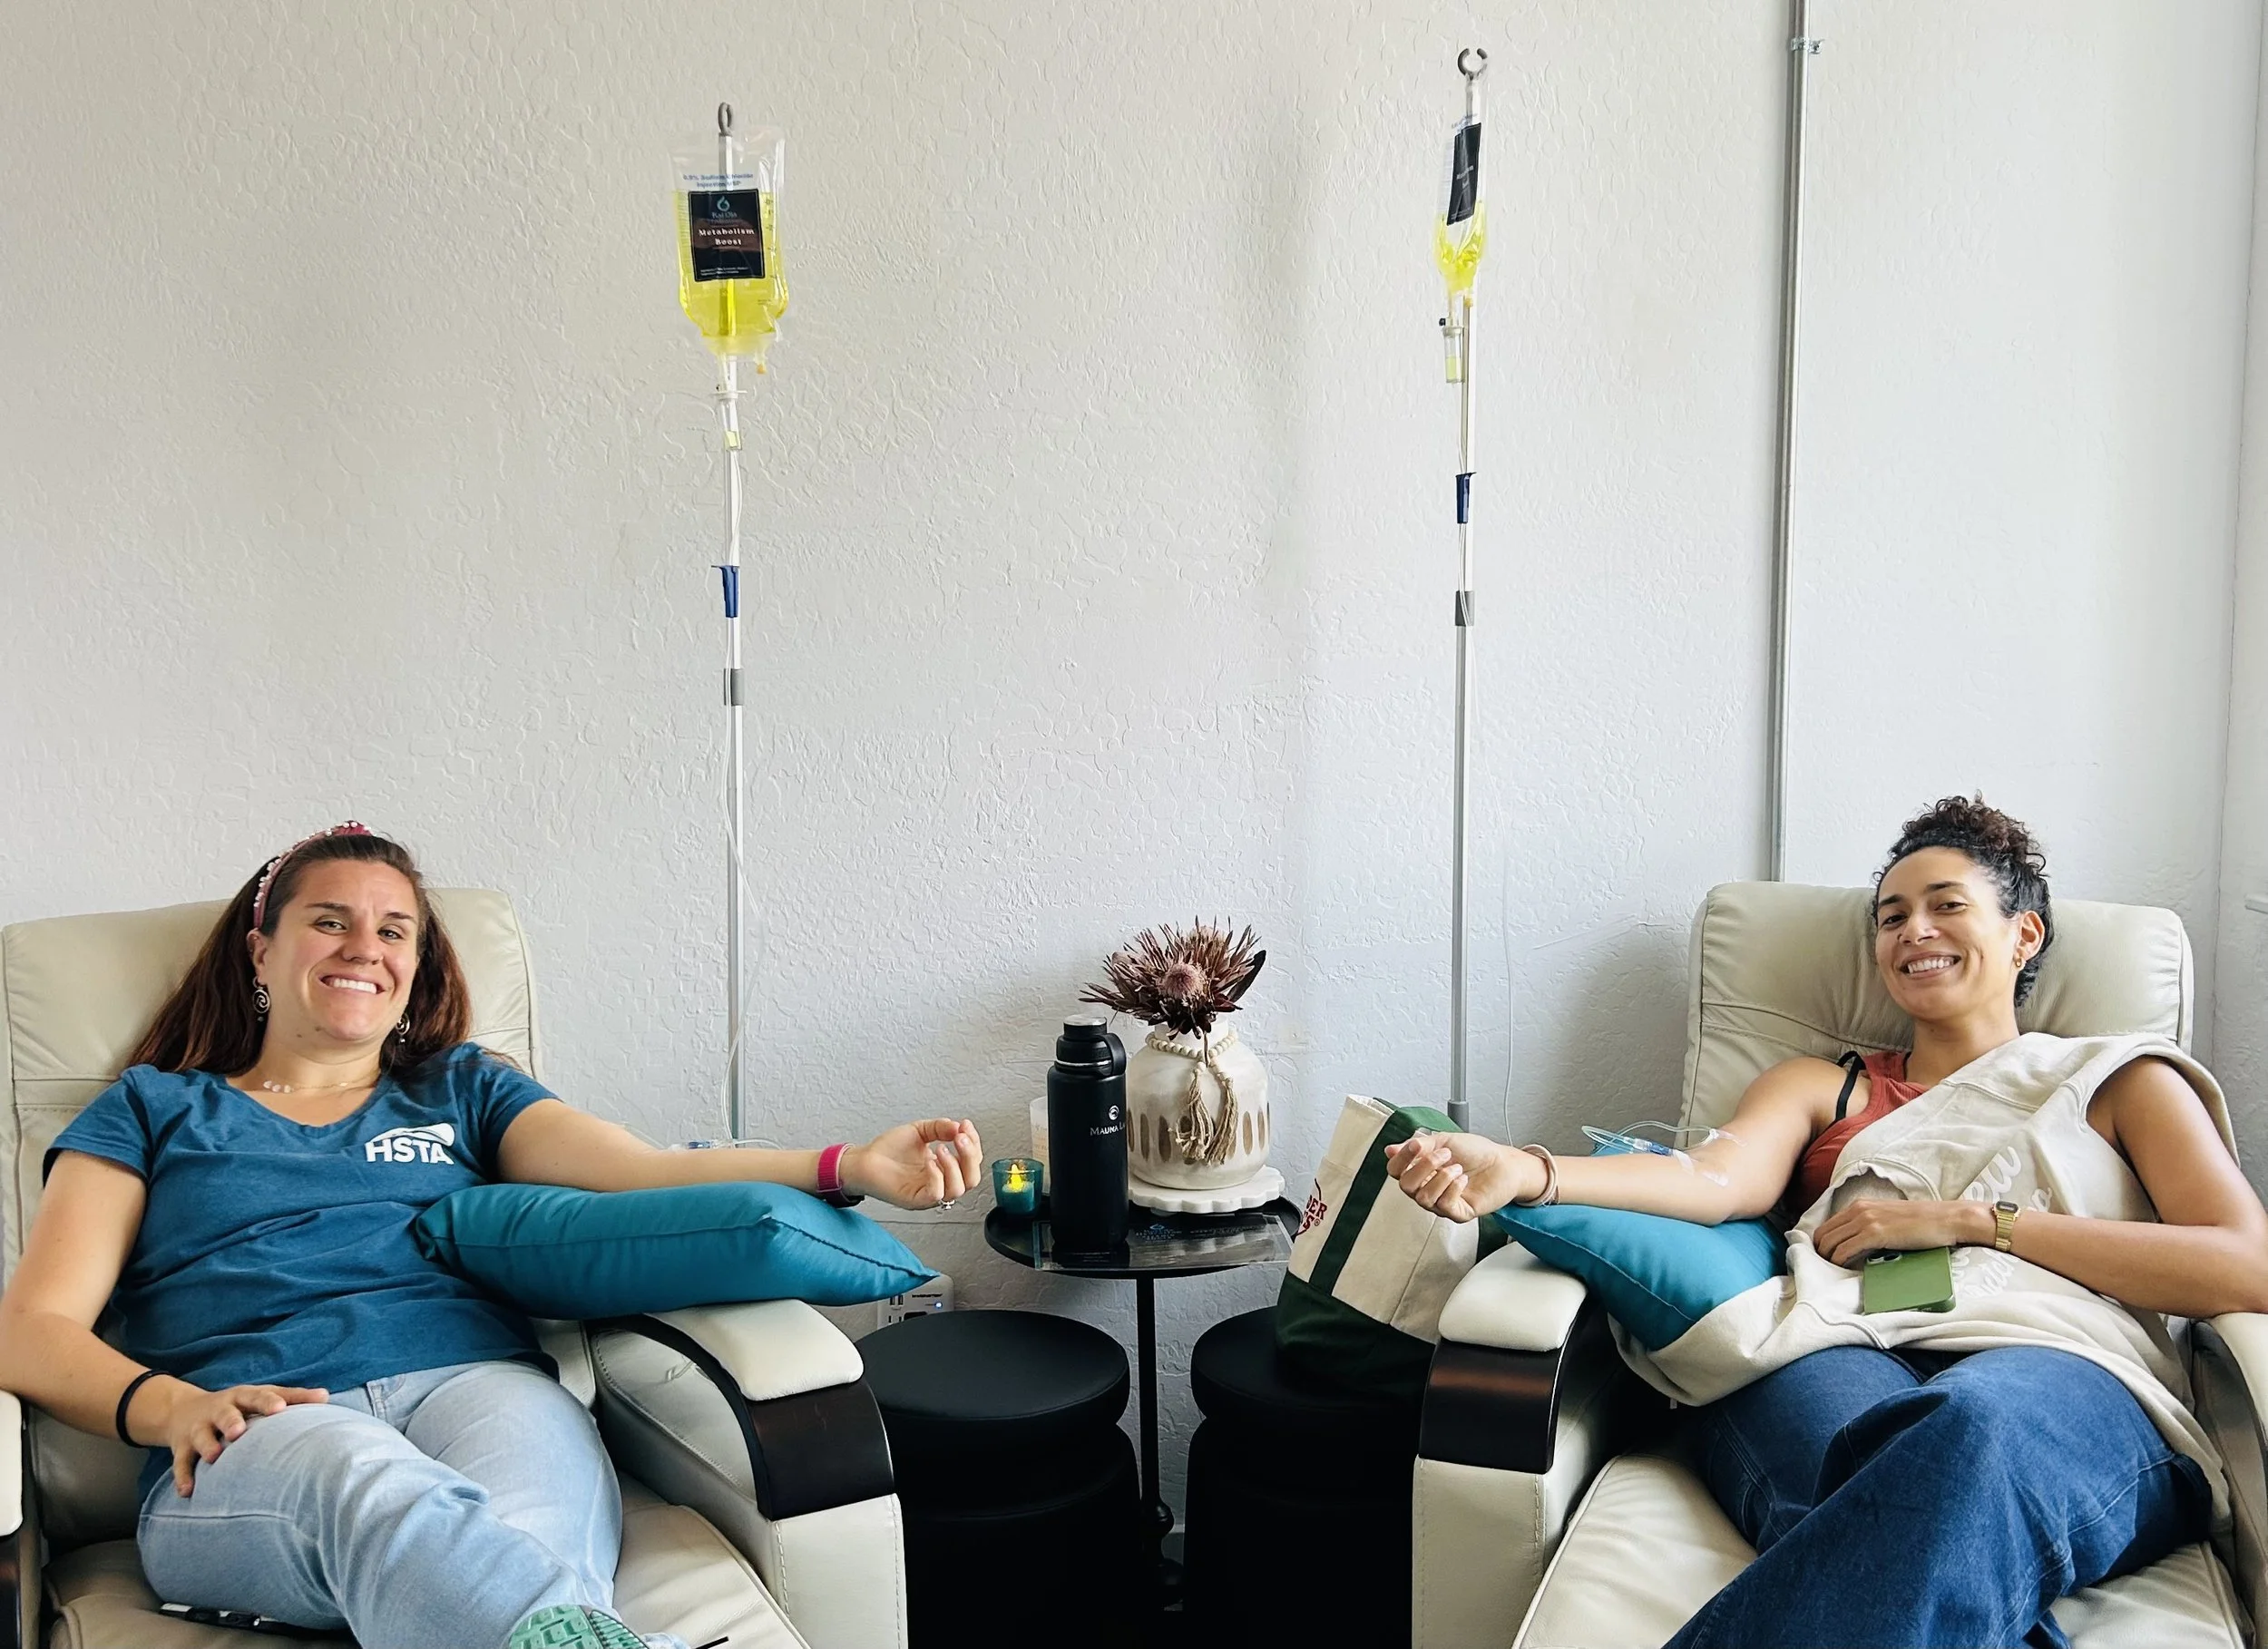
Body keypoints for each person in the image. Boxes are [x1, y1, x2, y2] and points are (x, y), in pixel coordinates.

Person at [0, 823, 985, 1649]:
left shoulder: (463, 1088)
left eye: (394, 930)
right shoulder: (154, 1109)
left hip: (480, 1390)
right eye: (328, 921)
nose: (363, 948)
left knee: (524, 1547)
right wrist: (164, 1406)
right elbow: (33, 1328)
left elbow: (642, 1172)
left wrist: (851, 1165)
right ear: (260, 951)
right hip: (251, 1432)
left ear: (416, 965)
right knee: (361, 1478)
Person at [1389, 795, 2268, 1649]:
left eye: (1945, 906)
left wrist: (1972, 1222)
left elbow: (2246, 1265)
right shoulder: (1822, 1084)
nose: (1910, 931)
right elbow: (1710, 1178)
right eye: (1889, 918)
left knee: (1966, 1434)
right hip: (1828, 1345)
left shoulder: (2118, 1079)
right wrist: (1529, 1171)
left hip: (2060, 1363)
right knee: (1918, 1510)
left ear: (2022, 935)